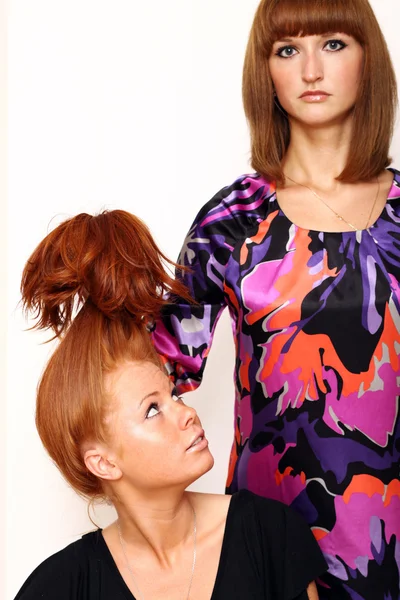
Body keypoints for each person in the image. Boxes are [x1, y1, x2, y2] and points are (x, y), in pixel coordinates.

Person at [151, 0, 400, 598]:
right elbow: (154, 378)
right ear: (266, 72)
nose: (312, 69)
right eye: (288, 50)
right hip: (267, 551)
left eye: (334, 44)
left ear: (369, 59)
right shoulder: (232, 223)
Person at [15, 210, 326, 600]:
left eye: (173, 395)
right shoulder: (60, 588)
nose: (186, 413)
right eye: (152, 409)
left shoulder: (269, 535)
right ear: (103, 462)